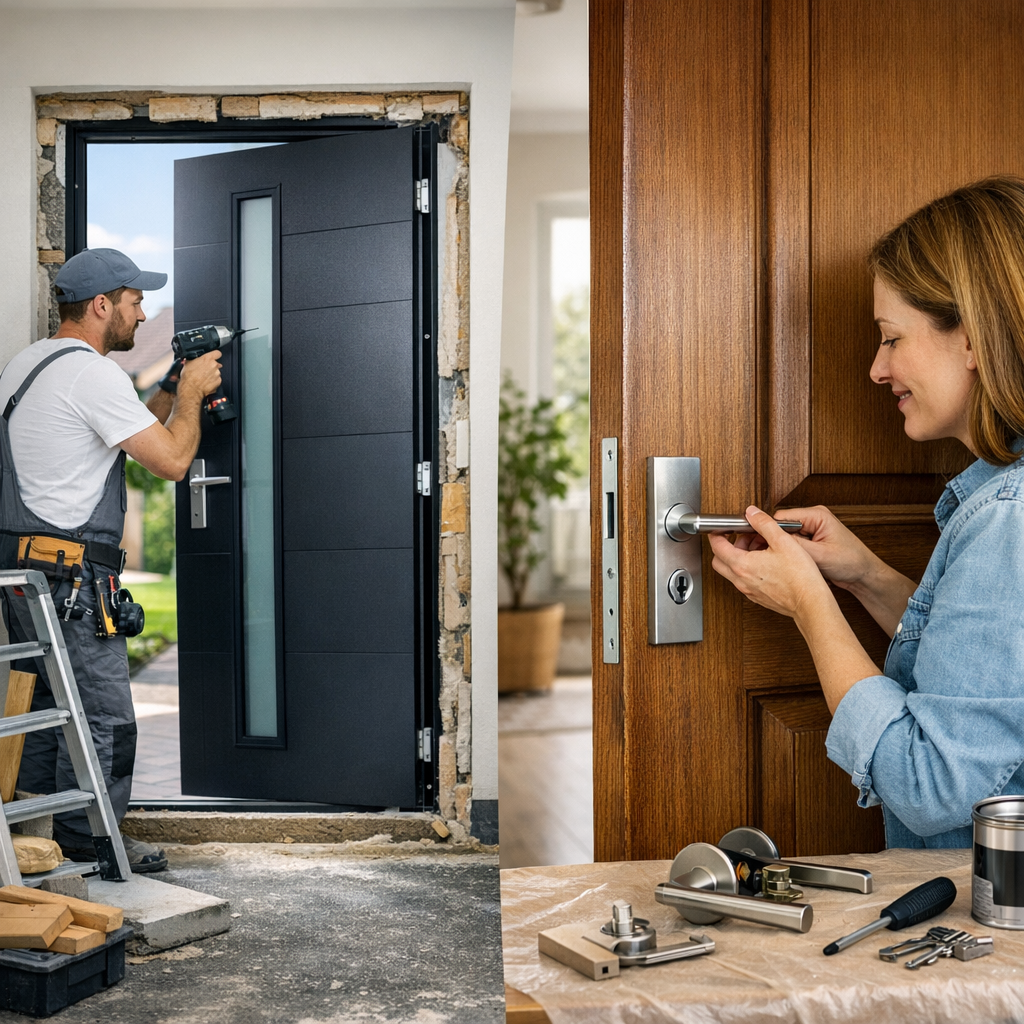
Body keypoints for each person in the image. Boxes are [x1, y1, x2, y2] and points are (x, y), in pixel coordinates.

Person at [709, 176, 1024, 849]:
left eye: (891, 338)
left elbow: (930, 783)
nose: (878, 371)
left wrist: (808, 604)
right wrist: (865, 577)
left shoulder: (1009, 517)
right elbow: (994, 671)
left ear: (973, 337)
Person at [0, 248, 222, 872]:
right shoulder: (93, 375)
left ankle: (36, 837)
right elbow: (171, 461)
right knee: (104, 717)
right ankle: (92, 839)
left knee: (46, 708)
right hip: (71, 579)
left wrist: (171, 389)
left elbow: (130, 437)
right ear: (101, 305)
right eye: (134, 301)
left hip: (25, 573)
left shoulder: (27, 365)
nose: (143, 314)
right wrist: (195, 392)